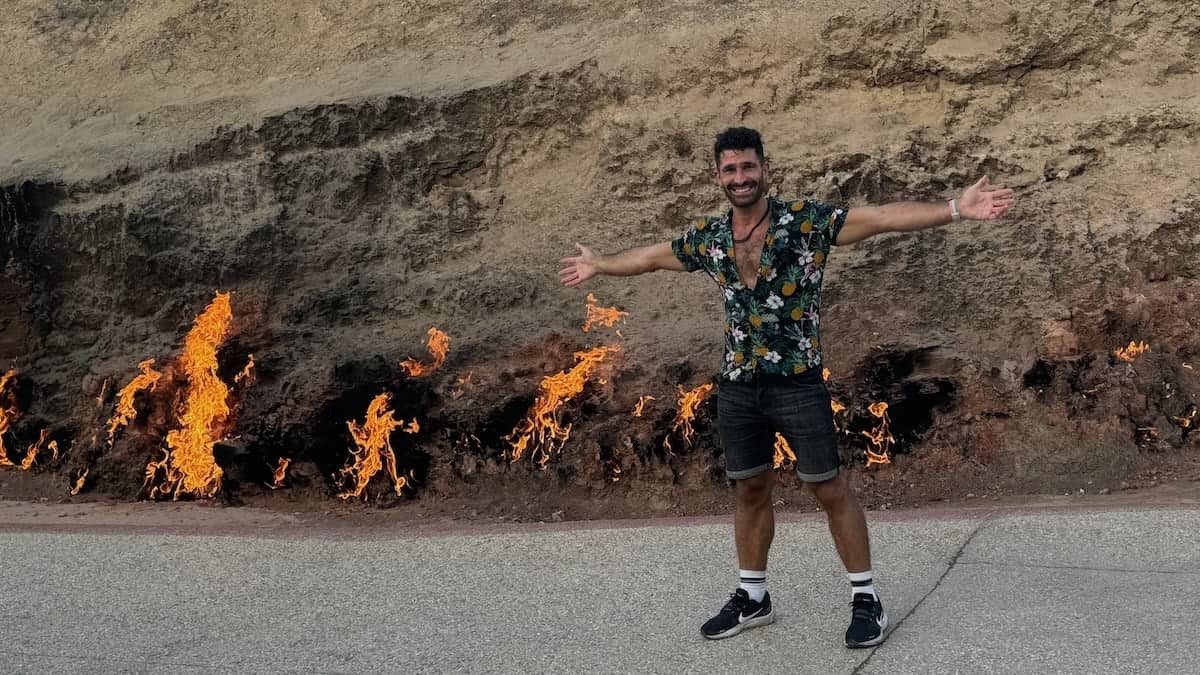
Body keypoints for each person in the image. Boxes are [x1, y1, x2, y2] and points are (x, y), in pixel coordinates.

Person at [559, 127, 1015, 647]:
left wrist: (955, 207)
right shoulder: (710, 239)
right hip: (737, 386)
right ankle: (753, 597)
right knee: (749, 488)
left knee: (829, 487)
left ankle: (866, 599)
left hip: (797, 384)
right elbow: (649, 257)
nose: (740, 177)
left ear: (764, 169)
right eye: (730, 170)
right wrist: (599, 264)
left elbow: (881, 218)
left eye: (748, 167)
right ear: (718, 176)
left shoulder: (804, 222)